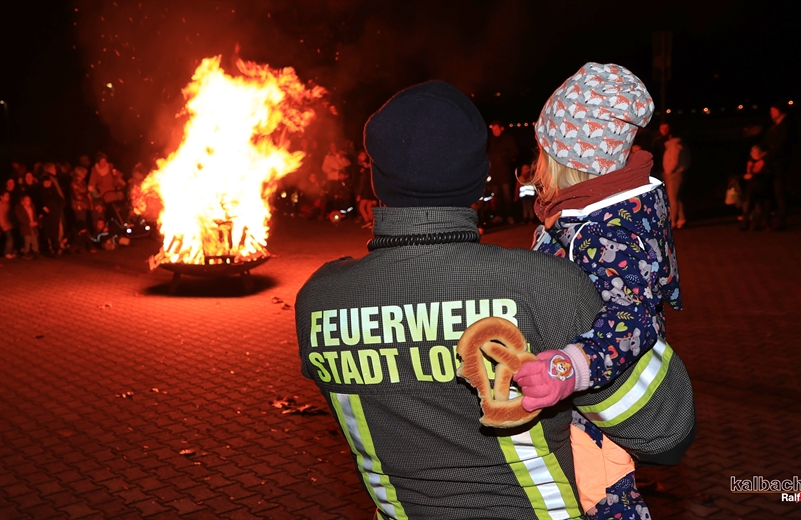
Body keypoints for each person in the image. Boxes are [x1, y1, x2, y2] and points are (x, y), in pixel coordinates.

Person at [295, 80, 693, 520]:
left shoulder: (318, 301)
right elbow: (666, 435)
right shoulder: (547, 286)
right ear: (481, 175)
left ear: (375, 176)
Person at [519, 62, 693, 520]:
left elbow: (631, 318)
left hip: (595, 417)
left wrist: (568, 368)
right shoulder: (586, 213)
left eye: (544, 151)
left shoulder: (607, 230)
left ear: (569, 159)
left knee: (604, 502)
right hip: (577, 410)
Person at [760, 102, 794, 230]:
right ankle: (766, 218)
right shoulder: (774, 126)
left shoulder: (787, 126)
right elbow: (766, 141)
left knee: (780, 191)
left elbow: (780, 146)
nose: (770, 113)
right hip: (771, 163)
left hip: (780, 163)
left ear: (780, 111)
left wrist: (765, 158)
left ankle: (781, 219)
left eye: (773, 110)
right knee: (769, 190)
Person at [487, 119, 520, 223]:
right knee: (497, 196)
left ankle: (510, 215)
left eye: (496, 129)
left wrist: (502, 157)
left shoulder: (507, 139)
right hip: (494, 173)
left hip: (505, 173)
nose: (495, 131)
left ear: (501, 128)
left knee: (507, 195)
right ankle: (499, 215)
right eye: (493, 129)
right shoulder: (490, 141)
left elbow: (514, 151)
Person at [659, 122, 690, 229]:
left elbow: (674, 161)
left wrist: (668, 171)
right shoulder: (680, 144)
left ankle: (673, 221)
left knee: (672, 198)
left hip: (674, 174)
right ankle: (681, 219)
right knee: (677, 197)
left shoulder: (674, 145)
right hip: (678, 173)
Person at [740, 144, 775, 231]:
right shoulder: (750, 162)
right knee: (749, 205)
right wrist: (745, 176)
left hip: (764, 187)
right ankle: (745, 224)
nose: (753, 154)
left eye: (755, 152)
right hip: (752, 188)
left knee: (766, 206)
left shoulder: (765, 162)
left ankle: (766, 224)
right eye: (752, 152)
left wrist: (755, 175)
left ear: (761, 153)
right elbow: (748, 173)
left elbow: (768, 174)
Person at [354, 151, 377, 228]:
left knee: (362, 207)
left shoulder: (367, 172)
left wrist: (359, 194)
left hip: (367, 191)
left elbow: (363, 183)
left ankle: (368, 220)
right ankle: (371, 222)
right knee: (369, 207)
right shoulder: (364, 170)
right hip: (369, 190)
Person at [0, 191, 17, 258]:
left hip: (9, 224)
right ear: (1, 197)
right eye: (6, 196)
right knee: (9, 238)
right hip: (4, 224)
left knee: (11, 238)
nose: (8, 198)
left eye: (8, 196)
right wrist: (3, 225)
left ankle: (10, 251)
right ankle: (7, 252)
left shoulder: (8, 204)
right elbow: (0, 216)